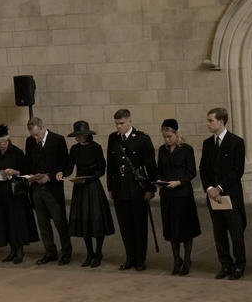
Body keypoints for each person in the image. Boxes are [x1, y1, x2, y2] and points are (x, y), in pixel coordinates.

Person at [199, 107, 246, 279]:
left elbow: (237, 170)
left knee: (236, 232)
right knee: (219, 232)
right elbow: (203, 169)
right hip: (213, 196)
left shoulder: (236, 142)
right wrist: (209, 188)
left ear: (221, 121)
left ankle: (239, 265)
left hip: (230, 195)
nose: (208, 124)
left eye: (211, 120)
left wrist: (219, 187)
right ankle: (225, 264)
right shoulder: (207, 144)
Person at [60, 120, 115, 267]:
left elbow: (102, 169)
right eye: (77, 135)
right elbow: (70, 168)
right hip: (80, 187)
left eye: (81, 135)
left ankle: (98, 252)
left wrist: (89, 179)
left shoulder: (95, 147)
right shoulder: (74, 149)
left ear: (86, 134)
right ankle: (89, 252)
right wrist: (62, 174)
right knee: (84, 221)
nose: (79, 138)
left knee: (96, 220)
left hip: (92, 186)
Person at [107, 109, 157, 271]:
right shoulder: (113, 139)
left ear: (129, 122)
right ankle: (130, 257)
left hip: (137, 189)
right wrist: (110, 188)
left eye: (121, 123)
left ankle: (140, 259)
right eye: (116, 124)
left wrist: (151, 189)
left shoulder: (142, 139)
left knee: (139, 225)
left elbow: (150, 166)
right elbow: (111, 166)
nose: (118, 127)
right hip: (120, 188)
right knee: (125, 225)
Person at [0, 125, 38, 264]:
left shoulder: (16, 152)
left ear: (7, 141)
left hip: (15, 193)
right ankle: (12, 249)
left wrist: (15, 172)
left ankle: (20, 250)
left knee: (17, 222)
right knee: (5, 221)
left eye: (0, 143)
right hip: (1, 191)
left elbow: (26, 170)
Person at [25, 116, 72, 265]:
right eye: (33, 135)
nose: (35, 138)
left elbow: (65, 164)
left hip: (53, 189)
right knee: (43, 223)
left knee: (60, 222)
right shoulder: (30, 141)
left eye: (37, 134)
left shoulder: (57, 140)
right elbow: (28, 161)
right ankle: (50, 252)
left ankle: (66, 252)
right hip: (37, 189)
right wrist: (31, 175)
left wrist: (50, 177)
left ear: (43, 128)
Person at [157, 119, 202, 275]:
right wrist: (158, 181)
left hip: (182, 194)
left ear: (176, 134)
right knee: (171, 229)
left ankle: (187, 259)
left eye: (169, 136)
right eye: (165, 137)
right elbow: (159, 170)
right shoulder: (162, 150)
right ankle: (176, 261)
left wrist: (179, 182)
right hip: (167, 195)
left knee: (185, 228)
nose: (167, 140)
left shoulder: (186, 149)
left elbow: (192, 172)